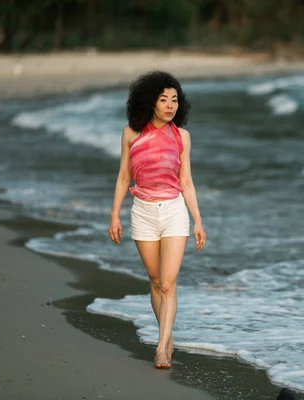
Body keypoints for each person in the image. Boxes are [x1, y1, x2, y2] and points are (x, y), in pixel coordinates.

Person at [108, 70, 207, 369]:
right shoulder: (131, 133)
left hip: (174, 211)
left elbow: (186, 181)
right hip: (143, 213)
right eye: (163, 99)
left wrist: (198, 220)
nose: (169, 105)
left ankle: (163, 346)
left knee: (167, 283)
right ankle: (167, 333)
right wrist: (115, 214)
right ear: (150, 102)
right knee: (154, 280)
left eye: (174, 100)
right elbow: (124, 175)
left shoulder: (182, 137)